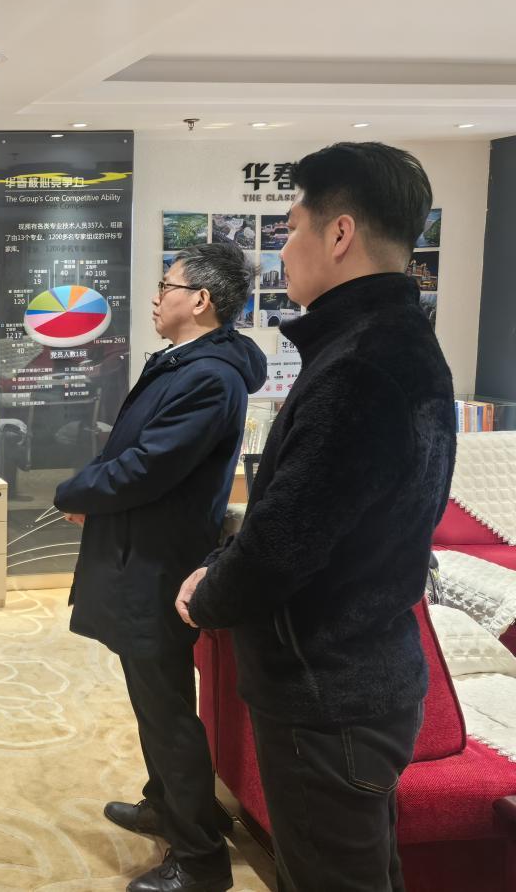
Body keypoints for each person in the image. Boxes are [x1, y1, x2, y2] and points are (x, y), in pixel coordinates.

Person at [175, 142, 456, 892]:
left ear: (339, 234)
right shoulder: (393, 343)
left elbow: (285, 540)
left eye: (292, 227)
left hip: (328, 689)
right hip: (359, 676)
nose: (282, 249)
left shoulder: (359, 365)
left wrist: (208, 591)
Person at [54, 242, 266, 892]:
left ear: (200, 299)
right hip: (138, 553)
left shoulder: (209, 378)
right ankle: (167, 805)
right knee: (154, 701)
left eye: (166, 284)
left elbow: (148, 465)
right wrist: (94, 494)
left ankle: (200, 859)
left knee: (168, 709)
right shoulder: (185, 363)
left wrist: (76, 492)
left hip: (156, 565)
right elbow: (135, 454)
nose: (155, 296)